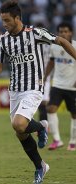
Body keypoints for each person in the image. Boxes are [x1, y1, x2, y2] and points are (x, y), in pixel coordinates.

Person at [0, 1, 76, 184]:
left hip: (34, 87)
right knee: (20, 132)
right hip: (15, 90)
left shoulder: (35, 33)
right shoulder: (2, 40)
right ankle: (41, 166)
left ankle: (40, 127)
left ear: (17, 18)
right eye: (2, 21)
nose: (4, 24)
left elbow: (61, 41)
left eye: (7, 20)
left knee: (19, 124)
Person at [44, 22, 76, 151]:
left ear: (71, 32)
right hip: (57, 84)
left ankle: (73, 142)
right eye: (61, 32)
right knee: (51, 109)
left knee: (74, 115)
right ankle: (57, 140)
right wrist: (45, 76)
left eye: (66, 31)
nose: (63, 34)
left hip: (73, 86)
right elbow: (51, 63)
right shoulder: (54, 47)